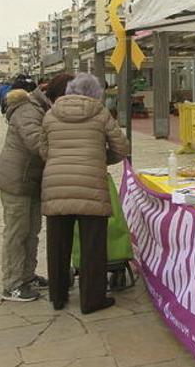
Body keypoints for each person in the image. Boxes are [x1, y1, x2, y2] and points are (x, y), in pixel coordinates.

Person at [40, 73, 130, 314]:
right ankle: (92, 300)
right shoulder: (101, 114)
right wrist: (101, 160)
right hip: (91, 184)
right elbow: (122, 148)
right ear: (95, 94)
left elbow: (43, 149)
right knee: (93, 245)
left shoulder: (51, 114)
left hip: (56, 184)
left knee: (58, 244)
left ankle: (57, 297)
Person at [0, 78, 65, 302]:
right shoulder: (28, 110)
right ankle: (12, 284)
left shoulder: (38, 108)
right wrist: (66, 148)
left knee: (31, 231)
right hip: (17, 182)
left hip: (29, 181)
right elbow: (36, 142)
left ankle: (27, 275)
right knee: (17, 233)